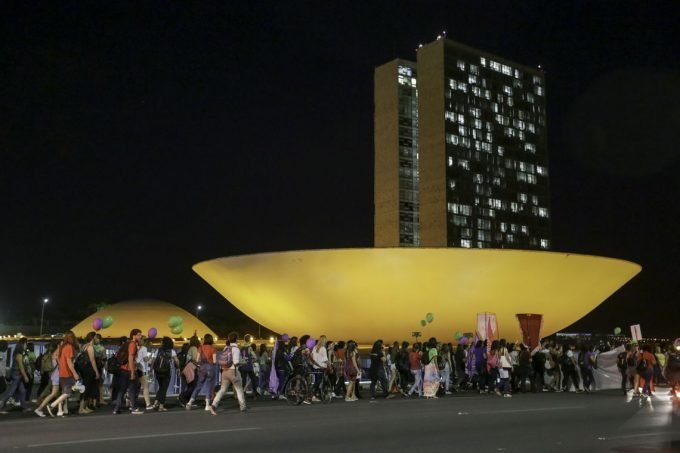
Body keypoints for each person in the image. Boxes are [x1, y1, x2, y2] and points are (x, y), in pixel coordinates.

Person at [210, 331, 246, 414]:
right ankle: (242, 407)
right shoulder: (236, 349)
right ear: (236, 339)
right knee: (239, 389)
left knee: (222, 390)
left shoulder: (226, 348)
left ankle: (214, 405)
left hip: (224, 371)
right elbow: (236, 362)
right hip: (233, 371)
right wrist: (243, 362)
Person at [47, 331, 81, 416]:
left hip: (61, 372)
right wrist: (75, 373)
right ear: (72, 338)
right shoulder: (69, 347)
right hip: (67, 373)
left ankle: (59, 411)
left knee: (64, 392)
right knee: (68, 393)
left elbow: (55, 356)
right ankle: (52, 405)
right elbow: (69, 362)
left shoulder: (62, 347)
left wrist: (60, 363)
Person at [112, 329, 144, 415]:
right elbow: (130, 358)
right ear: (134, 336)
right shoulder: (132, 344)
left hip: (123, 369)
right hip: (128, 370)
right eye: (139, 335)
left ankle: (116, 409)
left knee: (122, 390)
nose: (140, 336)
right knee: (132, 389)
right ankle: (133, 408)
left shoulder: (127, 344)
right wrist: (133, 372)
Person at [0, 340, 31, 414]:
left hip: (17, 374)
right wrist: (25, 376)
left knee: (22, 391)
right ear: (22, 345)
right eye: (25, 344)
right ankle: (0, 407)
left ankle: (24, 407)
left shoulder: (20, 354)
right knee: (10, 392)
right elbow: (21, 367)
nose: (26, 346)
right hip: (16, 374)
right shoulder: (18, 355)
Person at [187, 333, 216, 411]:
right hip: (210, 368)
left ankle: (190, 402)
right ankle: (207, 405)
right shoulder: (213, 348)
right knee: (209, 386)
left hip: (202, 368)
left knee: (198, 386)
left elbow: (197, 360)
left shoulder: (200, 347)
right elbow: (215, 361)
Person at [152, 336, 179, 411]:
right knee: (164, 389)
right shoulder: (172, 351)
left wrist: (152, 369)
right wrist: (178, 368)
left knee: (161, 388)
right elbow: (177, 361)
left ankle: (156, 402)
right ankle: (161, 406)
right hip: (167, 372)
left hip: (158, 372)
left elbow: (153, 360)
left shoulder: (158, 350)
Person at [34, 340, 60, 417]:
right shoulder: (56, 354)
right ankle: (41, 408)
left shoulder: (48, 354)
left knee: (55, 393)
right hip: (55, 377)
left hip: (51, 376)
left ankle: (56, 408)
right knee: (54, 393)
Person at [78, 332, 101, 414]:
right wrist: (96, 372)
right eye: (96, 337)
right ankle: (81, 408)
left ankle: (84, 407)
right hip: (88, 370)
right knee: (86, 389)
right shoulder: (90, 347)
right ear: (92, 338)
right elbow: (92, 360)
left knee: (86, 388)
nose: (96, 339)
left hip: (84, 370)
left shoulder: (84, 346)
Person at [178, 336, 200, 406]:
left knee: (190, 385)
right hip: (192, 368)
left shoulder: (190, 348)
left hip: (187, 368)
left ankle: (188, 401)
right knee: (194, 385)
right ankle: (182, 396)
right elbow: (194, 358)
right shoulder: (194, 348)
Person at [135, 338, 154, 410]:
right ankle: (148, 404)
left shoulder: (134, 347)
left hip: (134, 368)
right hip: (141, 369)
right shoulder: (144, 348)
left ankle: (131, 404)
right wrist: (151, 354)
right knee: (145, 387)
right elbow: (145, 359)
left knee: (134, 387)